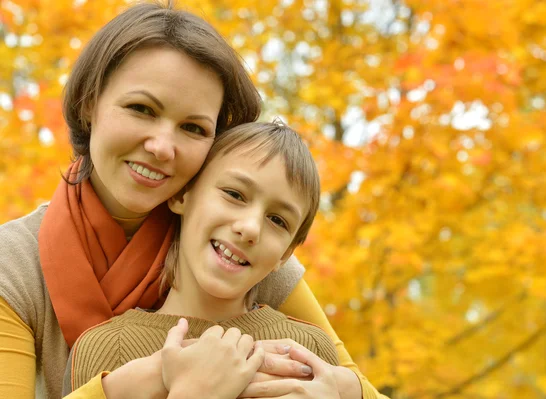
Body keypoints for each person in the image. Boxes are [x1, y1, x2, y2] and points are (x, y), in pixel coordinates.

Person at [0, 2, 386, 399]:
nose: (162, 147)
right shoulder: (13, 265)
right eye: (141, 109)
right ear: (89, 104)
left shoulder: (234, 245)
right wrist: (138, 383)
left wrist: (339, 388)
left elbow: (359, 386)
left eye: (193, 127)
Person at [64, 121, 342, 398]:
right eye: (235, 195)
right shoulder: (106, 348)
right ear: (183, 195)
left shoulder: (308, 352)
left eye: (278, 220)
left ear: (286, 253)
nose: (251, 228)